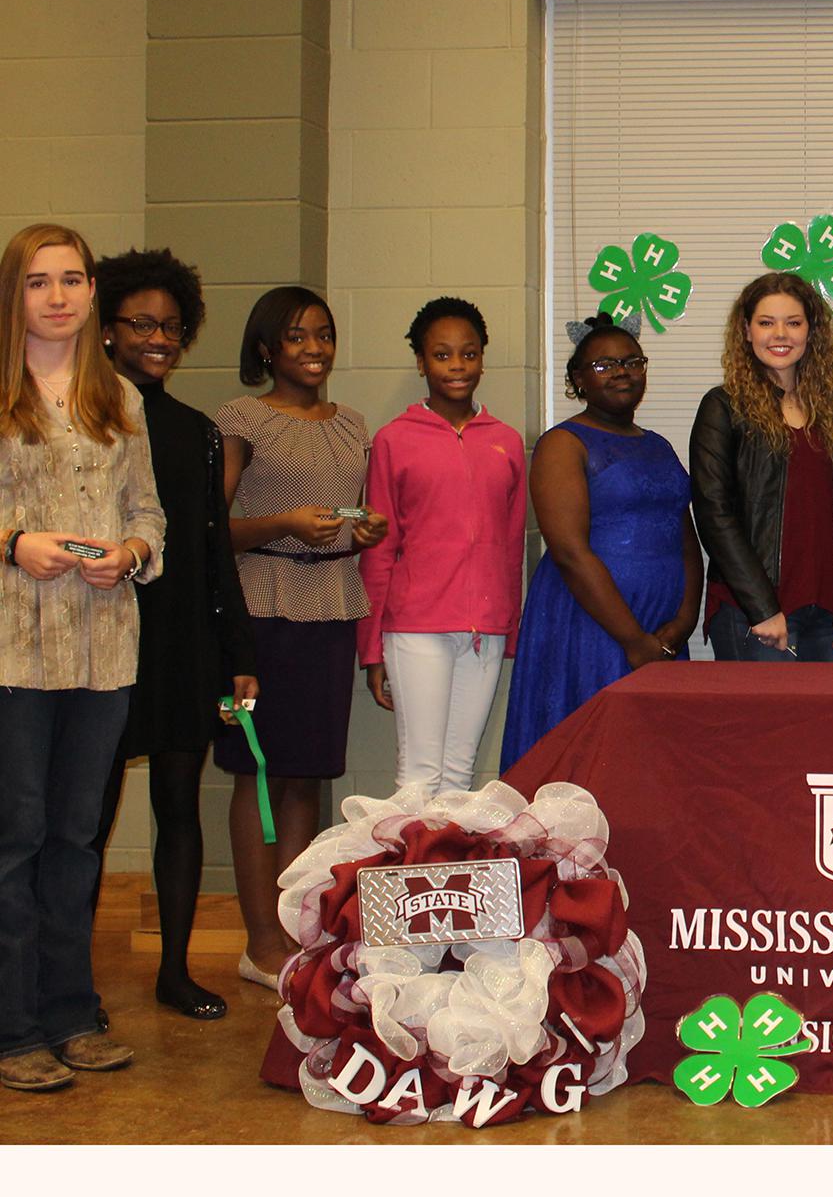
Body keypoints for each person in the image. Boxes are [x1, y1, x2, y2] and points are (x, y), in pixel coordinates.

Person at [0, 223, 163, 1093]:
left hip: (105, 651)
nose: (58, 296)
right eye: (38, 282)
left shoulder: (121, 402)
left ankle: (71, 1012)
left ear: (93, 293)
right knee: (15, 839)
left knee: (76, 838)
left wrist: (131, 554)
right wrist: (13, 542)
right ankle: (13, 1026)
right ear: (13, 295)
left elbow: (151, 516)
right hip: (13, 654)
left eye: (72, 279)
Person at [88, 249, 258, 1023]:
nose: (158, 338)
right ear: (106, 329)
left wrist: (239, 656)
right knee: (84, 820)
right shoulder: (78, 420)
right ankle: (69, 981)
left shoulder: (197, 430)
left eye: (172, 327)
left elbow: (214, 547)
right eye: (141, 324)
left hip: (183, 641)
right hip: (102, 640)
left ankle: (177, 972)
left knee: (179, 809)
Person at [215, 287, 386, 993]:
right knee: (258, 771)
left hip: (331, 605)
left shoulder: (352, 424)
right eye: (296, 337)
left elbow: (349, 513)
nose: (314, 349)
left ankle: (294, 933)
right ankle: (257, 942)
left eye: (324, 335)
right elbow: (212, 530)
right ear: (266, 349)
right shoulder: (241, 418)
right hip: (259, 610)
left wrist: (362, 529)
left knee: (307, 776)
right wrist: (280, 523)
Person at [500, 312, 702, 768]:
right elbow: (570, 553)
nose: (621, 372)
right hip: (591, 626)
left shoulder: (659, 445)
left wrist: (682, 622)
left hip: (660, 632)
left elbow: (686, 540)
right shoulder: (564, 444)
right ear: (577, 379)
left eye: (632, 361)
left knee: (649, 761)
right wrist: (632, 640)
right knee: (588, 757)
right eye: (604, 365)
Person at [358, 297, 527, 797]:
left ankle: (447, 878)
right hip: (416, 627)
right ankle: (412, 876)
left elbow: (512, 544)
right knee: (419, 775)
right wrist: (372, 648)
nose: (457, 366)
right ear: (421, 362)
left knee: (460, 776)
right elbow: (379, 549)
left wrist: (508, 627)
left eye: (469, 354)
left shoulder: (507, 441)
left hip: (486, 629)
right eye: (442, 355)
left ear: (482, 358)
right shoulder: (394, 439)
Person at [690, 273, 833, 663]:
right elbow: (714, 513)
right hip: (757, 617)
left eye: (793, 323)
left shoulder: (832, 413)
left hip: (826, 618)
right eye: (766, 323)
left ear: (811, 332)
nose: (780, 334)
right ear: (746, 331)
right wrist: (761, 607)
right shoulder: (723, 407)